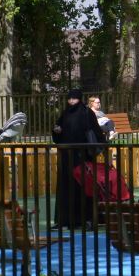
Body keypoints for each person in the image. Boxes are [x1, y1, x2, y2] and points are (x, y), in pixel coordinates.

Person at [51, 89, 107, 229]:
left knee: (84, 187)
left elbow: (96, 133)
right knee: (67, 187)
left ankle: (87, 219)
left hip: (83, 157)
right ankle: (65, 220)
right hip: (66, 157)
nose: (71, 102)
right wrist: (56, 131)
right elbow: (58, 132)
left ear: (80, 99)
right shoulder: (65, 114)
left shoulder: (87, 113)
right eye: (69, 99)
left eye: (74, 99)